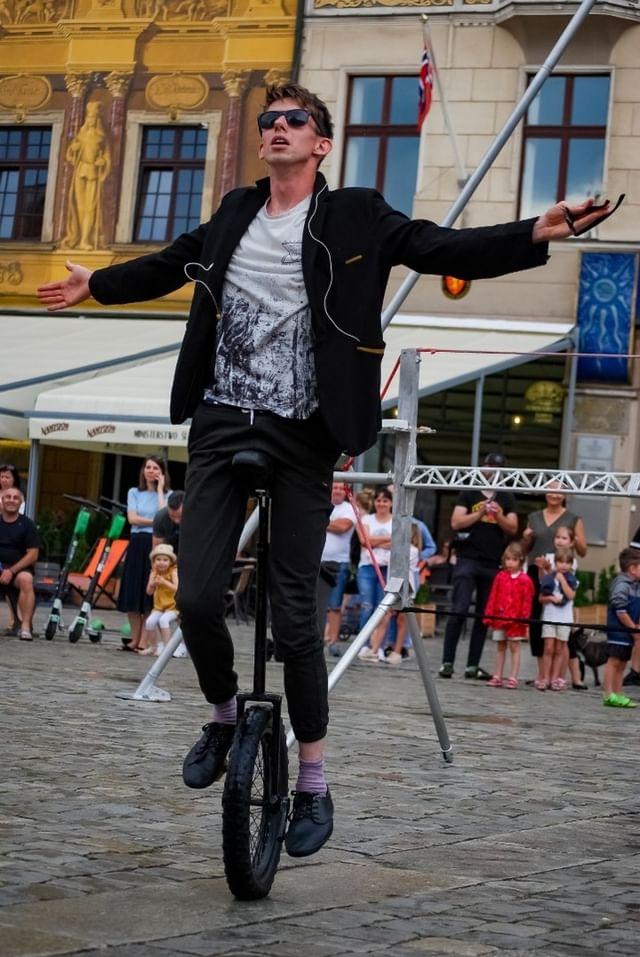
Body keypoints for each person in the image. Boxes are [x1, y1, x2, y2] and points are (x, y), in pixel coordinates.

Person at [36, 81, 613, 858]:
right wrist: (96, 284)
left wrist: (530, 232)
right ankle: (221, 716)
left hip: (305, 433)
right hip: (219, 421)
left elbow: (439, 246)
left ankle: (312, 778)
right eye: (269, 120)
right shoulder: (236, 212)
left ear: (321, 142)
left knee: (299, 620)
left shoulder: (355, 214)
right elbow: (172, 263)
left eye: (293, 120)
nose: (276, 128)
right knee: (200, 596)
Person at [439, 452, 518, 680]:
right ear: (483, 468)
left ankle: (472, 665)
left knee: (484, 615)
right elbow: (456, 522)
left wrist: (499, 516)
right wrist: (482, 512)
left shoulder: (507, 497)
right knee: (459, 609)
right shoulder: (469, 492)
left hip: (492, 562)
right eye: (490, 466)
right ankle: (447, 662)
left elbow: (512, 528)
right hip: (468, 558)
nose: (492, 471)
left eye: (497, 468)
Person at [522, 484, 587, 682]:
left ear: (565, 494)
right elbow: (526, 548)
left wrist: (573, 542)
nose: (554, 494)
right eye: (551, 489)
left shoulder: (573, 518)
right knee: (537, 622)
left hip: (563, 571)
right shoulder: (534, 517)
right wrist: (525, 538)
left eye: (559, 490)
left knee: (562, 621)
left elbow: (583, 550)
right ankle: (542, 673)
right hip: (538, 570)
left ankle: (571, 675)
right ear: (545, 492)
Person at [118, 457, 170, 652]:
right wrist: (155, 520)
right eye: (147, 467)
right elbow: (132, 519)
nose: (150, 470)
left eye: (155, 468)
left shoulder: (168, 494)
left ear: (162, 472)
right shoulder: (134, 492)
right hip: (137, 542)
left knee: (150, 592)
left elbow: (164, 515)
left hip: (156, 545)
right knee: (132, 591)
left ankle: (145, 641)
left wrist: (159, 489)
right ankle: (134, 638)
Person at [483, 542, 534, 689]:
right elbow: (493, 596)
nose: (510, 563)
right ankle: (497, 675)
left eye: (514, 559)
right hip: (500, 617)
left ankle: (513, 677)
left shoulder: (525, 581)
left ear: (521, 561)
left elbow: (527, 602)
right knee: (500, 646)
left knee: (515, 647)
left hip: (516, 621)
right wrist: (489, 615)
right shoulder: (500, 577)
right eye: (508, 559)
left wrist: (524, 620)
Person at [317, 481, 355, 658]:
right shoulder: (321, 502)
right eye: (336, 487)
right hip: (317, 561)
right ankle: (316, 639)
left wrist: (320, 522)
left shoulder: (348, 508)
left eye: (342, 488)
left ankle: (332, 642)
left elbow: (343, 527)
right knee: (315, 604)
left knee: (334, 605)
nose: (338, 490)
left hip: (338, 563)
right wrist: (330, 523)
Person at [0, 488, 39, 640]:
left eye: (15, 498)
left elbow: (33, 555)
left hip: (18, 571)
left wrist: (11, 571)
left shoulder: (27, 525)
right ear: (2, 501)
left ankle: (25, 627)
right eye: (8, 497)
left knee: (26, 580)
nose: (11, 500)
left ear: (21, 503)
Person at [603, 547, 640, 708]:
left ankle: (618, 694)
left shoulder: (636, 586)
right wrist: (633, 629)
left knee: (623, 663)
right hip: (619, 631)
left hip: (628, 632)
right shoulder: (622, 585)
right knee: (614, 662)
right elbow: (621, 611)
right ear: (632, 569)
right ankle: (608, 693)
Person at [537, 547, 578, 691]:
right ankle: (545, 677)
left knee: (560, 649)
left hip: (564, 618)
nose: (564, 565)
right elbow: (541, 598)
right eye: (560, 562)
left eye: (567, 562)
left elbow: (571, 595)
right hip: (550, 617)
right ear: (556, 563)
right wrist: (550, 598)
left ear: (571, 564)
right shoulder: (549, 577)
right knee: (548, 648)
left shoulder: (572, 579)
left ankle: (555, 678)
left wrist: (562, 580)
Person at [356, 487, 393, 645]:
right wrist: (387, 539)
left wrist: (373, 541)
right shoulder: (366, 520)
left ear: (391, 503)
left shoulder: (396, 521)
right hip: (367, 567)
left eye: (385, 500)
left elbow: (397, 543)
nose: (381, 503)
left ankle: (377, 645)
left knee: (382, 608)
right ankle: (362, 644)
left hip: (387, 568)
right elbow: (364, 541)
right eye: (378, 500)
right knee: (367, 605)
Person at [142, 543, 179, 657]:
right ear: (154, 561)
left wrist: (164, 582)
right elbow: (148, 592)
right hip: (159, 606)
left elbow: (176, 588)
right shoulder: (153, 573)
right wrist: (152, 584)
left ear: (170, 562)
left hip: (173, 606)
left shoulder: (173, 572)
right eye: (158, 559)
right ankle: (153, 647)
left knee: (163, 620)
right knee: (150, 622)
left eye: (165, 560)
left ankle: (168, 648)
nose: (161, 562)